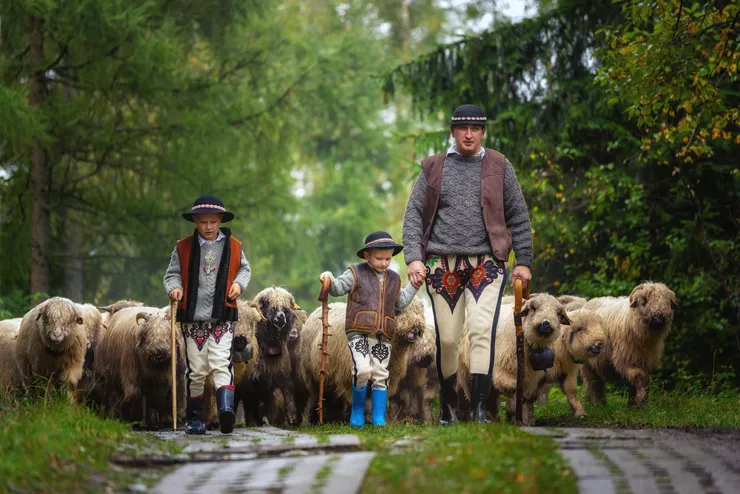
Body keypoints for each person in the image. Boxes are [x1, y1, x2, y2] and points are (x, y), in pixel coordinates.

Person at [402, 104, 533, 424]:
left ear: (483, 132)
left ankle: (478, 409)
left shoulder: (500, 166)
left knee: (480, 330)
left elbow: (518, 216)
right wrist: (414, 258)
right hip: (440, 265)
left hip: (486, 264)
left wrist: (523, 261)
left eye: (475, 129)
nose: (469, 134)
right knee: (447, 338)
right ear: (453, 132)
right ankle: (448, 407)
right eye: (463, 129)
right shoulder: (433, 168)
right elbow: (413, 217)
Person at [164, 194, 251, 434]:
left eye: (213, 222)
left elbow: (244, 269)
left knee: (222, 362)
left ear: (220, 219)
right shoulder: (183, 247)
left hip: (222, 315)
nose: (209, 227)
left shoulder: (234, 245)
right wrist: (174, 288)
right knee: (197, 368)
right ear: (195, 221)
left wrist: (239, 284)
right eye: (203, 222)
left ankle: (226, 411)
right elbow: (172, 274)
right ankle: (194, 418)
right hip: (193, 318)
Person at [319, 231, 419, 427]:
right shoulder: (355, 273)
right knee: (363, 370)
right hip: (359, 332)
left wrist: (414, 286)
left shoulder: (394, 279)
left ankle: (378, 417)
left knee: (381, 373)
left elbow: (399, 304)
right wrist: (328, 279)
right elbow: (338, 288)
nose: (384, 263)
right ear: (367, 255)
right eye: (379, 258)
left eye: (388, 259)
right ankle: (357, 411)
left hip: (383, 334)